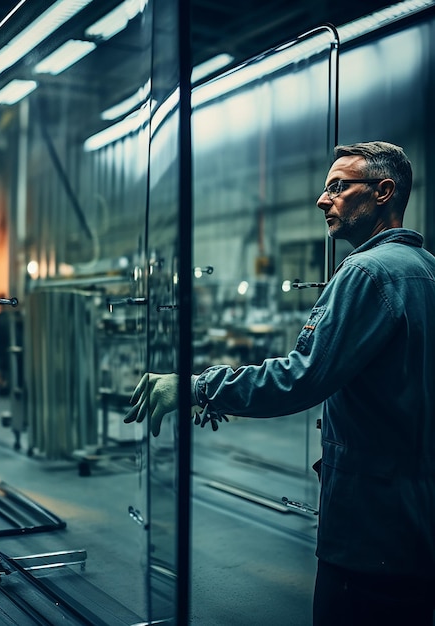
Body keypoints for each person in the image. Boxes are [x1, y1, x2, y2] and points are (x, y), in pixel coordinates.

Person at [124, 141, 435, 625]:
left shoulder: (365, 272)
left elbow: (301, 377)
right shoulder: (427, 271)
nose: (322, 199)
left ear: (383, 192)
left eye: (338, 186)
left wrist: (197, 387)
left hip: (367, 531)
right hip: (416, 525)